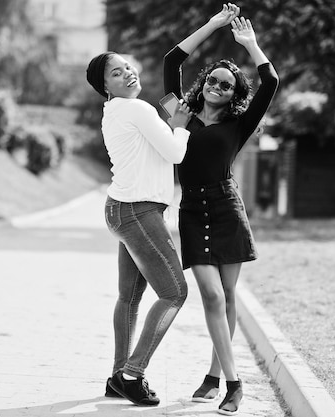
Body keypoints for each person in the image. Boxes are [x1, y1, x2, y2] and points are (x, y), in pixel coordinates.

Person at [164, 4, 279, 415]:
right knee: (211, 295)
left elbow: (271, 80)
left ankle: (215, 376)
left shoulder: (239, 124)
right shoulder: (181, 113)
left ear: (235, 95)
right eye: (212, 79)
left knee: (227, 295)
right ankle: (234, 383)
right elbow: (172, 59)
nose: (216, 86)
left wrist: (250, 44)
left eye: (226, 85)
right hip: (193, 211)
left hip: (227, 209)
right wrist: (213, 25)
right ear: (204, 83)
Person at [86, 52, 193, 406]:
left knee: (129, 297)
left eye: (128, 67)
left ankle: (118, 376)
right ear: (105, 87)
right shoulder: (137, 109)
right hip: (138, 211)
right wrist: (180, 123)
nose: (128, 74)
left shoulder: (114, 112)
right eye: (116, 74)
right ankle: (133, 374)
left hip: (120, 209)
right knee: (175, 292)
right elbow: (176, 153)